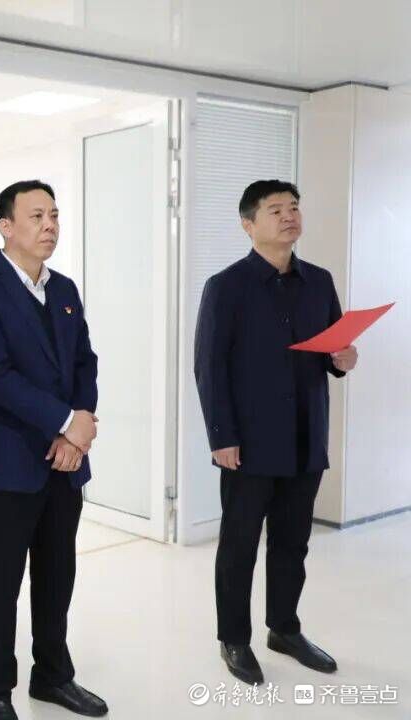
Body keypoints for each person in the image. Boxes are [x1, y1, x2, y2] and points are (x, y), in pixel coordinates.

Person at [0, 180, 105, 719]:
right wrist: (65, 422)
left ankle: (53, 676)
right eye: (36, 216)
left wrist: (78, 428)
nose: (49, 226)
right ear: (5, 226)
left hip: (66, 463)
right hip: (7, 463)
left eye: (54, 215)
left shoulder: (64, 289)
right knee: (0, 582)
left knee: (57, 574)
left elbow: (84, 362)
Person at [195, 179, 357, 686]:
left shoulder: (319, 282)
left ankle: (284, 629)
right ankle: (234, 639)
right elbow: (209, 366)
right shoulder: (226, 286)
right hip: (249, 442)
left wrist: (343, 360)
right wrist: (221, 436)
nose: (289, 216)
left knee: (293, 542)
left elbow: (332, 351)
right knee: (240, 544)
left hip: (305, 437)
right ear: (249, 225)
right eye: (275, 210)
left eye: (294, 207)